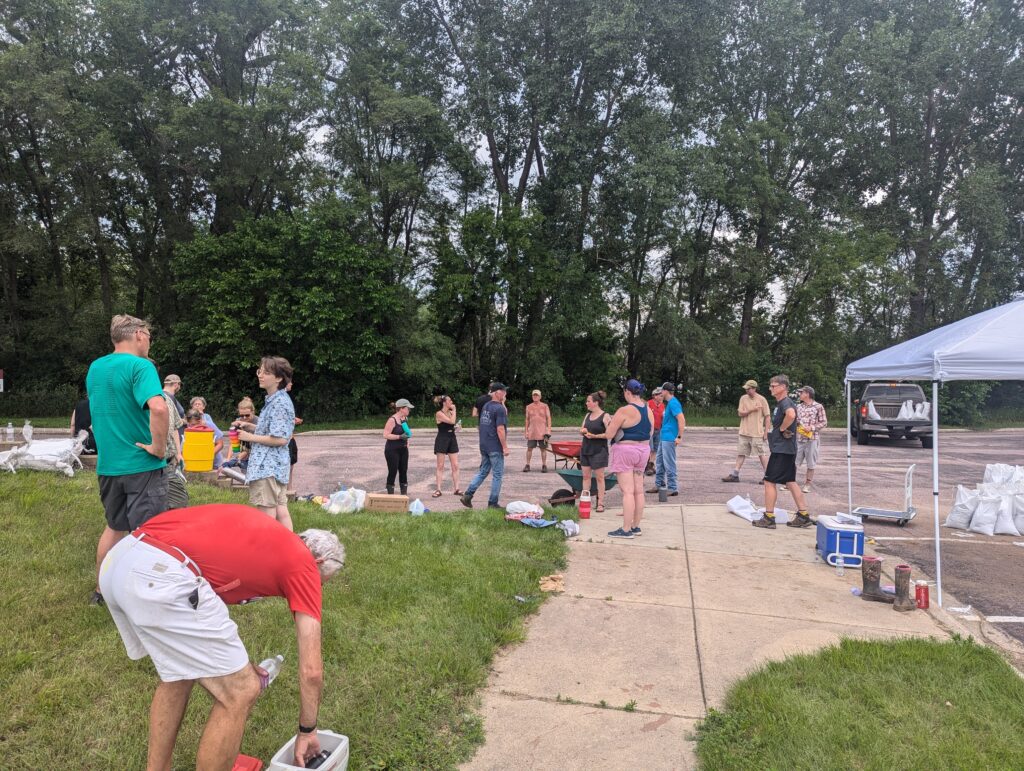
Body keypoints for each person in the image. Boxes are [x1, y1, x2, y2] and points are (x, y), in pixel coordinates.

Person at [98, 503, 345, 770]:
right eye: (322, 582)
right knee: (241, 690)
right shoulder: (304, 564)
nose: (316, 587)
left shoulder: (269, 539)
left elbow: (204, 622)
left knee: (179, 674)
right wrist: (307, 730)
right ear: (318, 562)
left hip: (122, 559)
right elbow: (311, 671)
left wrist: (239, 665)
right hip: (161, 572)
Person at [85, 314, 170, 605]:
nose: (149, 340)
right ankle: (147, 597)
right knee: (150, 533)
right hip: (142, 465)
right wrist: (159, 448)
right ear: (137, 335)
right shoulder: (141, 366)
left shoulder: (96, 368)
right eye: (148, 334)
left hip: (108, 465)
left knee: (115, 526)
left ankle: (101, 591)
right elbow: (158, 409)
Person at [235, 356, 296, 531]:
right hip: (274, 466)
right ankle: (290, 552)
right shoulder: (276, 400)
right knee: (280, 510)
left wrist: (249, 437)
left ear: (278, 378)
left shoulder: (279, 403)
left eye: (266, 372)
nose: (260, 375)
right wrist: (251, 426)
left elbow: (281, 439)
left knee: (267, 516)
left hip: (267, 466)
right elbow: (275, 430)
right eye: (259, 371)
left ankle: (269, 554)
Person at [752, 374, 814, 529]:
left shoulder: (785, 402)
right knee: (790, 481)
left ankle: (769, 517)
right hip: (787, 449)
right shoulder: (783, 403)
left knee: (769, 481)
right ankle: (803, 515)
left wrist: (782, 428)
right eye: (770, 386)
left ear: (783, 387)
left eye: (773, 386)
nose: (770, 388)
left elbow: (791, 415)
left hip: (782, 450)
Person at [604, 379, 654, 538]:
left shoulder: (624, 410)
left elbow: (609, 434)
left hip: (625, 450)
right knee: (639, 491)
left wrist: (608, 423)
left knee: (627, 491)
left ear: (627, 392)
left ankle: (625, 530)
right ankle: (635, 526)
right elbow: (650, 432)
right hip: (643, 451)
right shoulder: (649, 409)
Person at [461, 382, 509, 509]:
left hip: (484, 445)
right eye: (503, 391)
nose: (505, 394)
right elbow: (500, 429)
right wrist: (504, 446)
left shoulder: (486, 406)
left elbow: (483, 425)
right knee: (497, 475)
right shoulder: (499, 408)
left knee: (483, 472)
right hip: (495, 446)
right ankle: (493, 503)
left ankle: (467, 495)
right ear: (496, 392)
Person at [722, 379, 771, 484]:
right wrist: (752, 409)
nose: (747, 391)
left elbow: (767, 417)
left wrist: (766, 432)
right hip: (744, 431)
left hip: (757, 433)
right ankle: (735, 475)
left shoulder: (762, 399)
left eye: (748, 389)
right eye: (746, 389)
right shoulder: (743, 398)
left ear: (754, 389)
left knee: (761, 453)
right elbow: (740, 413)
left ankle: (768, 476)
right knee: (741, 453)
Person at [650, 382, 685, 497]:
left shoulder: (674, 403)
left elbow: (681, 419)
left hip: (669, 438)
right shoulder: (669, 403)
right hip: (663, 437)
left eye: (661, 391)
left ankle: (673, 487)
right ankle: (659, 484)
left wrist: (679, 436)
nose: (660, 393)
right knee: (659, 462)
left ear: (665, 391)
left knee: (669, 463)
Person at [579, 391, 611, 512]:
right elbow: (581, 429)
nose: (586, 403)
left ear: (596, 403)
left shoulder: (605, 416)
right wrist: (582, 431)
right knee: (586, 477)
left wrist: (595, 436)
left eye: (588, 401)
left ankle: (600, 503)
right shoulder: (587, 415)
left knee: (599, 478)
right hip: (586, 449)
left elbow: (609, 434)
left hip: (599, 450)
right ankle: (585, 501)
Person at [795, 385, 827, 493]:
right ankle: (790, 483)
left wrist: (812, 428)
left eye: (801, 393)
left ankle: (807, 484)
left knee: (811, 463)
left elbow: (824, 422)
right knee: (793, 461)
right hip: (799, 438)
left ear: (807, 394)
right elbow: (796, 420)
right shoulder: (798, 407)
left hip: (812, 439)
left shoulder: (818, 407)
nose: (799, 394)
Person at [161, 389, 188, 509]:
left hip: (169, 462)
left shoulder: (167, 399)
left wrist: (178, 453)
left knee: (180, 503)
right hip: (147, 465)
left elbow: (175, 427)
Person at [383, 399, 414, 495]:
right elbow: (385, 435)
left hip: (403, 449)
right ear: (401, 409)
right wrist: (399, 437)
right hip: (392, 450)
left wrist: (407, 441)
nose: (409, 410)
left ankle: (403, 496)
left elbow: (406, 433)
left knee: (403, 471)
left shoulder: (404, 419)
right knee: (393, 471)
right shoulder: (392, 420)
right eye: (407, 408)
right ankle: (391, 497)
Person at [433, 395, 461, 497]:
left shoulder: (450, 412)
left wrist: (457, 427)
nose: (452, 402)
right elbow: (451, 421)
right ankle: (438, 489)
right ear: (444, 402)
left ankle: (457, 489)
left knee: (455, 465)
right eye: (450, 400)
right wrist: (455, 410)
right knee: (440, 466)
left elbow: (453, 425)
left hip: (452, 439)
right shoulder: (439, 413)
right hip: (442, 439)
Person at [190, 396, 225, 468]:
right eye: (195, 404)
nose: (197, 405)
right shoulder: (188, 420)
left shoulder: (207, 420)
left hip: (214, 462)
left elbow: (219, 442)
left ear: (203, 407)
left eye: (199, 404)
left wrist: (207, 455)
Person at [523, 389, 552, 472]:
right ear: (532, 396)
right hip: (532, 431)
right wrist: (526, 431)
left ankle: (544, 465)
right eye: (534, 395)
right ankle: (527, 465)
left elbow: (548, 418)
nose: (535, 396)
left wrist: (548, 430)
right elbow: (527, 420)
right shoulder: (528, 407)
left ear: (540, 397)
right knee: (529, 448)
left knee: (543, 449)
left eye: (537, 395)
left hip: (543, 432)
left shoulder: (545, 406)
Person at [286, 381, 303, 493]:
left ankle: (289, 490)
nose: (291, 383)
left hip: (291, 438)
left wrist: (293, 420)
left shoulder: (286, 398)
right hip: (285, 441)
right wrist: (292, 421)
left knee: (291, 467)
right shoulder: (280, 400)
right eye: (289, 381)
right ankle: (286, 492)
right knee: (286, 468)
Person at [645, 386, 664, 475]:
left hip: (658, 430)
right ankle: (646, 466)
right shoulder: (648, 404)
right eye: (660, 396)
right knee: (649, 448)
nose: (662, 397)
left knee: (655, 449)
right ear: (655, 396)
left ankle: (651, 465)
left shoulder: (663, 406)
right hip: (649, 430)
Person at [163, 374, 186, 440]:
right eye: (180, 385)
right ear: (176, 384)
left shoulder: (168, 397)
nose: (180, 387)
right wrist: (183, 421)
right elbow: (169, 420)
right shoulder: (167, 398)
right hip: (173, 439)